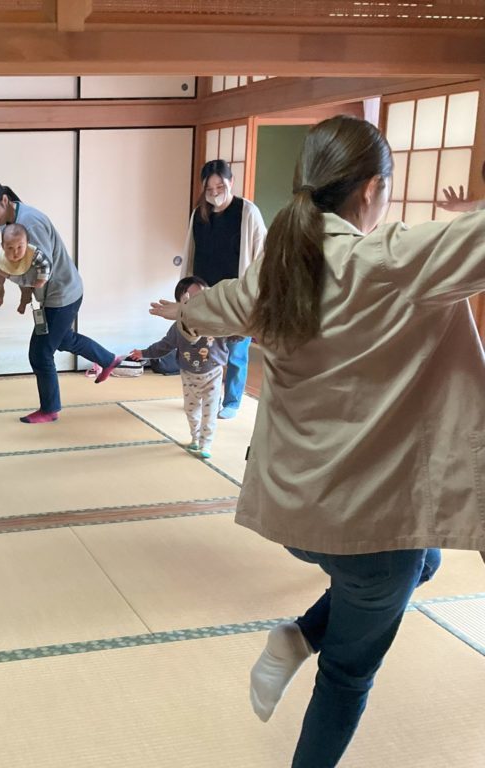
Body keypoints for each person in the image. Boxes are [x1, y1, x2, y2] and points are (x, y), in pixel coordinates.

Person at [150, 114, 485, 767]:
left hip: (295, 510)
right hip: (369, 524)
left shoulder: (279, 269)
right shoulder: (391, 260)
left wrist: (184, 315)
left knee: (426, 560)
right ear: (372, 190)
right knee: (349, 676)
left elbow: (212, 308)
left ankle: (300, 636)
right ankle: (304, 641)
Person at [0, 181, 121, 424]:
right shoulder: (7, 224)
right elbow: (17, 262)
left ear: (5, 201)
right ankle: (108, 359)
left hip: (62, 295)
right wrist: (20, 294)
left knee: (40, 352)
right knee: (62, 339)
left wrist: (6, 276)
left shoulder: (30, 223)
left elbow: (43, 270)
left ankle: (50, 409)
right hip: (46, 297)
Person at [179, 160, 267, 419]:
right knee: (207, 352)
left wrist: (257, 292)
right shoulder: (200, 214)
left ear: (231, 183)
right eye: (209, 189)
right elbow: (191, 253)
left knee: (236, 351)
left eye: (220, 187)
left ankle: (232, 401)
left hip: (238, 294)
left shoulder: (247, 211)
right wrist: (186, 291)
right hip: (206, 293)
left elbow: (261, 254)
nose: (215, 193)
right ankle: (208, 397)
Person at [128, 276, 234, 459]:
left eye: (200, 296)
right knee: (191, 410)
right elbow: (165, 345)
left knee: (210, 412)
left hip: (213, 373)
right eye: (188, 299)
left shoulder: (217, 322)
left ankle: (206, 443)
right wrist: (144, 353)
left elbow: (235, 332)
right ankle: (195, 438)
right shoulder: (178, 327)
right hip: (188, 375)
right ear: (180, 304)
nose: (196, 302)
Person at [0, 223, 51, 315]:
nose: (15, 252)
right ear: (3, 246)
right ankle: (0, 294)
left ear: (27, 244)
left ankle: (24, 301)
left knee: (26, 289)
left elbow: (44, 264)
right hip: (7, 268)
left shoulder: (33, 253)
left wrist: (41, 280)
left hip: (24, 273)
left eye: (19, 247)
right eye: (10, 248)